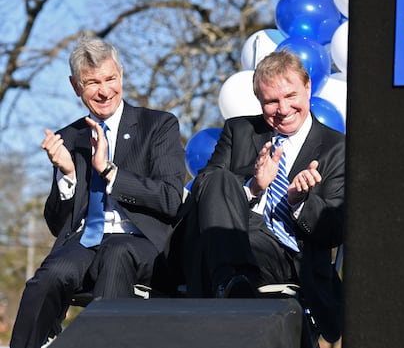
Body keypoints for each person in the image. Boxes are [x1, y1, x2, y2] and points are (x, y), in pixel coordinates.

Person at [10, 37, 186, 348]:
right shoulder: (69, 137)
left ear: (121, 74)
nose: (104, 91)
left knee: (116, 252)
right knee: (48, 276)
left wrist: (109, 172)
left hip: (142, 243)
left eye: (110, 79)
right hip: (86, 242)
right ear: (75, 86)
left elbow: (170, 200)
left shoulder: (158, 125)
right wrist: (67, 175)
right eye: (92, 82)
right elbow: (58, 226)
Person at [179, 50, 344, 344]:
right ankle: (234, 282)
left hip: (290, 253)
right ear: (259, 101)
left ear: (308, 87)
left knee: (215, 243)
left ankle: (229, 284)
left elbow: (335, 230)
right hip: (234, 234)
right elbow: (204, 187)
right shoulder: (240, 130)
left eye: (290, 95)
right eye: (271, 101)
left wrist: (299, 201)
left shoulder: (337, 147)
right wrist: (254, 187)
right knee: (217, 178)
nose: (282, 108)